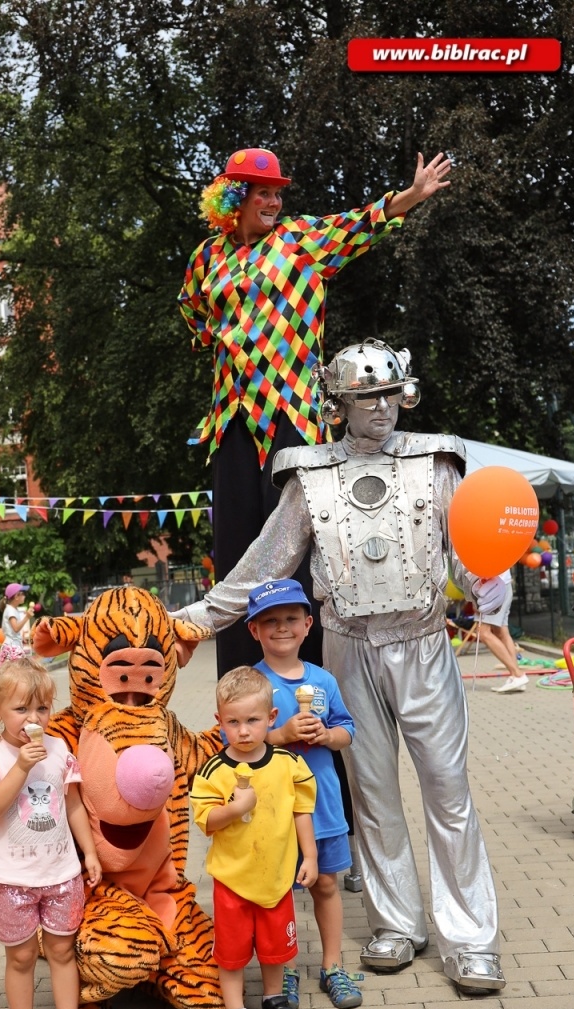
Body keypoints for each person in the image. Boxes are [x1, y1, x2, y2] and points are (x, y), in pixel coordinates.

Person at [178, 337, 508, 995]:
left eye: (388, 395)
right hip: (347, 648)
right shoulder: (310, 477)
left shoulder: (435, 464)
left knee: (447, 788)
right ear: (340, 406)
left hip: (421, 644)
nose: (380, 410)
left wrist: (489, 587)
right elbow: (265, 563)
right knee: (374, 793)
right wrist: (193, 620)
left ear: (403, 395)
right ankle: (394, 923)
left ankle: (471, 938)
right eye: (365, 399)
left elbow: (468, 545)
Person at [178, 146, 451, 675]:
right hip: (232, 421)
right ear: (234, 198)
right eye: (265, 193)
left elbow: (360, 225)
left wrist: (409, 198)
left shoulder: (299, 242)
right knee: (235, 553)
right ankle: (241, 695)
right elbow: (191, 306)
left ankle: (314, 685)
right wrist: (220, 340)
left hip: (293, 417)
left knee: (302, 550)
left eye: (279, 193)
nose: (275, 201)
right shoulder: (206, 258)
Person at [0, 649, 101, 1009]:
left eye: (42, 707)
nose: (33, 717)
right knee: (21, 958)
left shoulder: (61, 749)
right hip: (10, 880)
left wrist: (91, 853)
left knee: (63, 951)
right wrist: (21, 768)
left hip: (61, 874)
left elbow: (74, 805)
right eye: (20, 708)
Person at [245, 579, 362, 1009]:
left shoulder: (324, 680)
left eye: (291, 619)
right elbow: (231, 743)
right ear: (254, 630)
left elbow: (347, 731)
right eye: (269, 621)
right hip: (271, 811)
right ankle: (285, 966)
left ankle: (333, 965)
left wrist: (327, 734)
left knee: (327, 883)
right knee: (278, 891)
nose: (281, 628)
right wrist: (279, 735)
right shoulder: (249, 683)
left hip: (323, 805)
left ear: (308, 624)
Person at [190, 666, 317, 1009]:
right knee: (231, 953)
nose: (243, 730)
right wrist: (234, 808)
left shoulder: (288, 764)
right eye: (233, 722)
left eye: (252, 720)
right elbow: (206, 821)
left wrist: (309, 854)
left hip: (277, 877)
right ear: (220, 722)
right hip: (233, 881)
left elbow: (301, 811)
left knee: (275, 948)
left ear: (271, 718)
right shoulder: (213, 769)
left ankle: (273, 999)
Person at [477, 570, 528, 693]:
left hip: (494, 586)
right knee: (502, 632)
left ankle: (518, 674)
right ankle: (516, 677)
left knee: (484, 633)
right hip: (503, 584)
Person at [1, 583, 34, 650]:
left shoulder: (13, 609)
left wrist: (21, 638)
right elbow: (15, 628)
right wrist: (27, 617)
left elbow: (13, 631)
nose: (24, 596)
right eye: (23, 594)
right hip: (12, 648)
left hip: (14, 645)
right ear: (16, 596)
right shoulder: (10, 611)